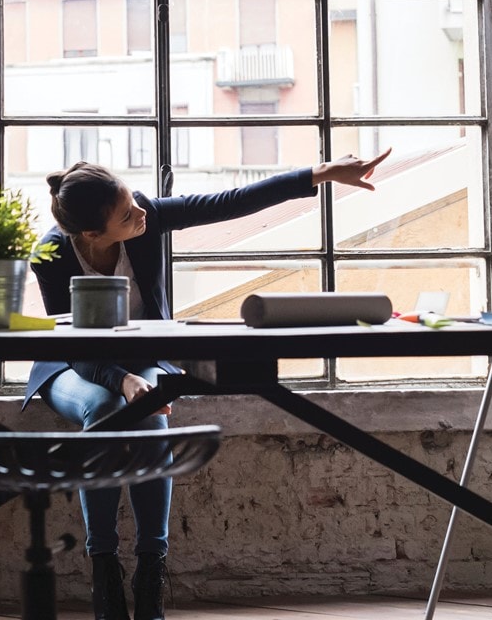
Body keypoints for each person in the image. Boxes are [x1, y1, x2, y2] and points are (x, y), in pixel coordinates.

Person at [24, 148, 391, 620]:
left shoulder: (144, 215)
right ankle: (104, 569)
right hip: (75, 368)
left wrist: (320, 173)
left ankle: (151, 571)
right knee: (108, 411)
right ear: (93, 233)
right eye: (126, 213)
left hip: (145, 359)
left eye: (133, 202)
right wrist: (121, 380)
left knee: (150, 418)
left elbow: (228, 202)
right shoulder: (50, 254)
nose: (140, 210)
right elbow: (71, 344)